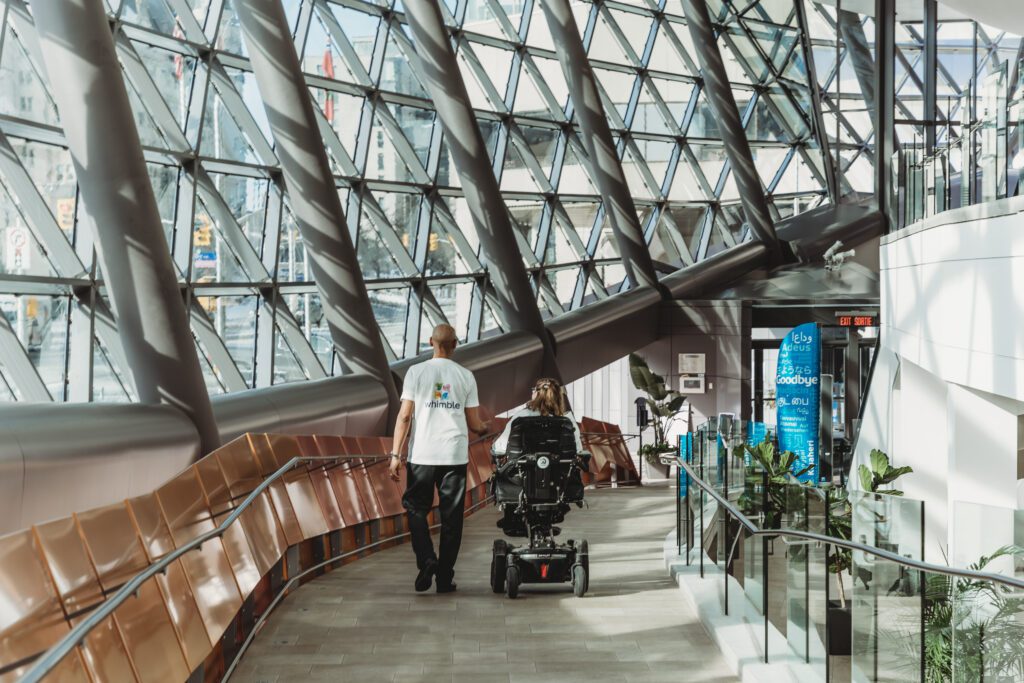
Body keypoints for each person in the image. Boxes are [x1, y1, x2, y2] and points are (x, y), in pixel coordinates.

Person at [389, 324, 489, 594]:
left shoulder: (416, 372)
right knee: (452, 519)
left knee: (415, 508)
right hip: (454, 456)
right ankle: (444, 579)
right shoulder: (466, 376)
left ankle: (427, 559)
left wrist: (396, 456)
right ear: (455, 344)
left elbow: (405, 416)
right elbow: (473, 423)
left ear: (430, 341)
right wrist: (485, 428)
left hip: (422, 454)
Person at [492, 377, 583, 456]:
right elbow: (578, 450)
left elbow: (499, 448)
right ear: (559, 397)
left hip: (523, 473)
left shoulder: (521, 416)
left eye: (534, 390)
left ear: (536, 394)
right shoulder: (568, 421)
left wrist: (494, 444)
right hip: (560, 473)